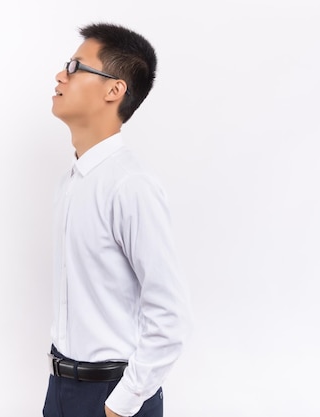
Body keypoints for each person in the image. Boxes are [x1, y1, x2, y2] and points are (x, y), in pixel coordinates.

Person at [43, 22, 191, 417]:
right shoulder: (70, 182)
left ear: (114, 89)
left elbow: (170, 315)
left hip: (112, 396)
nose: (61, 75)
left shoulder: (131, 184)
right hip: (59, 389)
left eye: (76, 67)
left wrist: (120, 405)